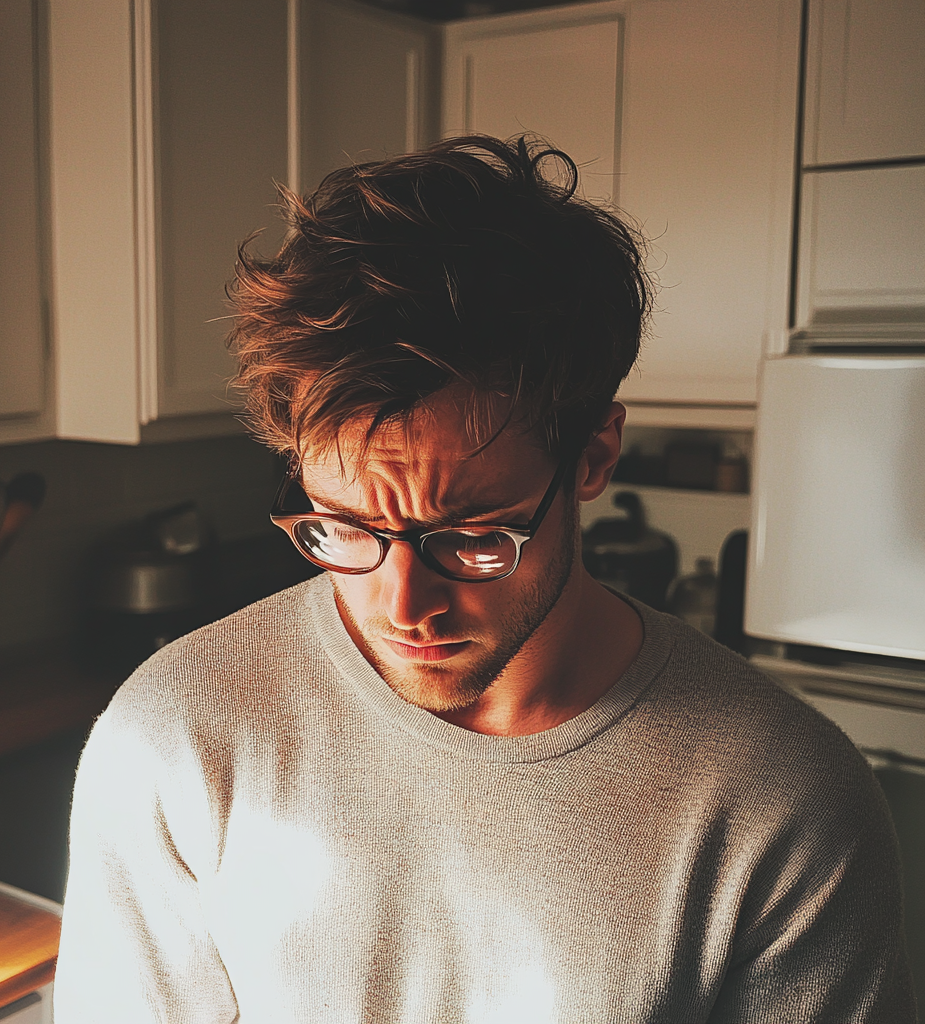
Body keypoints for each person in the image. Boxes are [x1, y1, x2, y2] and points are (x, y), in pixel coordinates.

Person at [53, 136, 915, 1022]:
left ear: (593, 456)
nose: (402, 606)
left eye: (469, 537)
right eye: (345, 526)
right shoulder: (174, 736)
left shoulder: (782, 801)